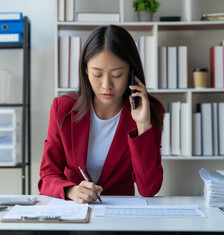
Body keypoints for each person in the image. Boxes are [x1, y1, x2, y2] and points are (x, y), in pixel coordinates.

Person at [38, 25, 164, 204]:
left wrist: (142, 125)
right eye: (97, 74)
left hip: (119, 215)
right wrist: (72, 191)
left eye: (117, 75)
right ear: (86, 71)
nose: (106, 85)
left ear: (131, 73)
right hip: (73, 211)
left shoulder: (150, 111)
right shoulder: (63, 109)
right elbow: (47, 176)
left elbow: (148, 189)